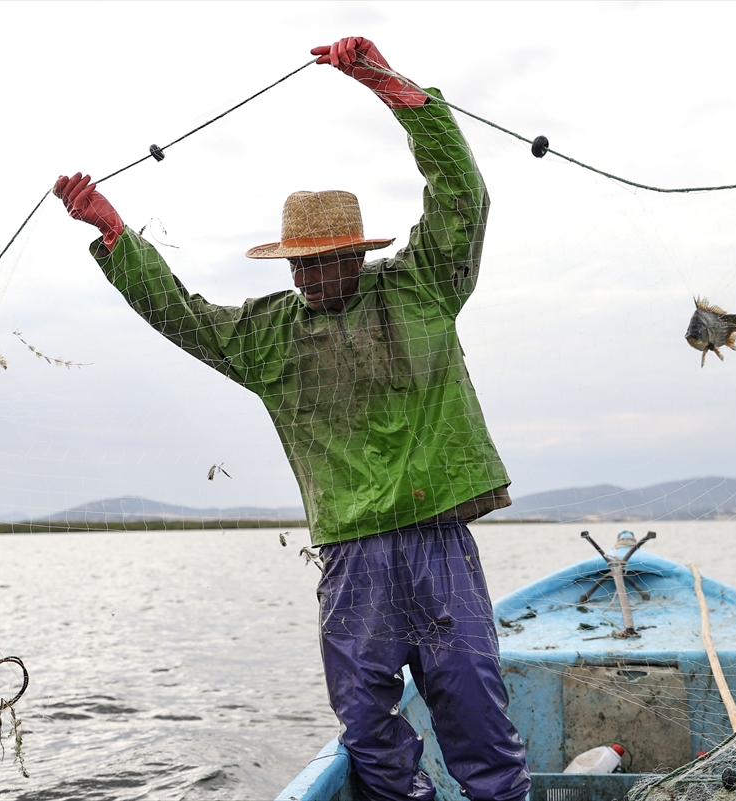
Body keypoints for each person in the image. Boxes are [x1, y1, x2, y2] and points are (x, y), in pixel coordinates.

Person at [53, 36, 530, 801]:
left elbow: (461, 197)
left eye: (321, 260)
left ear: (355, 254)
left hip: (436, 534)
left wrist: (398, 93)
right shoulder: (269, 334)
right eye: (296, 263)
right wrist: (115, 235)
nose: (307, 275)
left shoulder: (422, 286)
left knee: (473, 703)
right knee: (368, 722)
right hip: (349, 557)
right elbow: (181, 315)